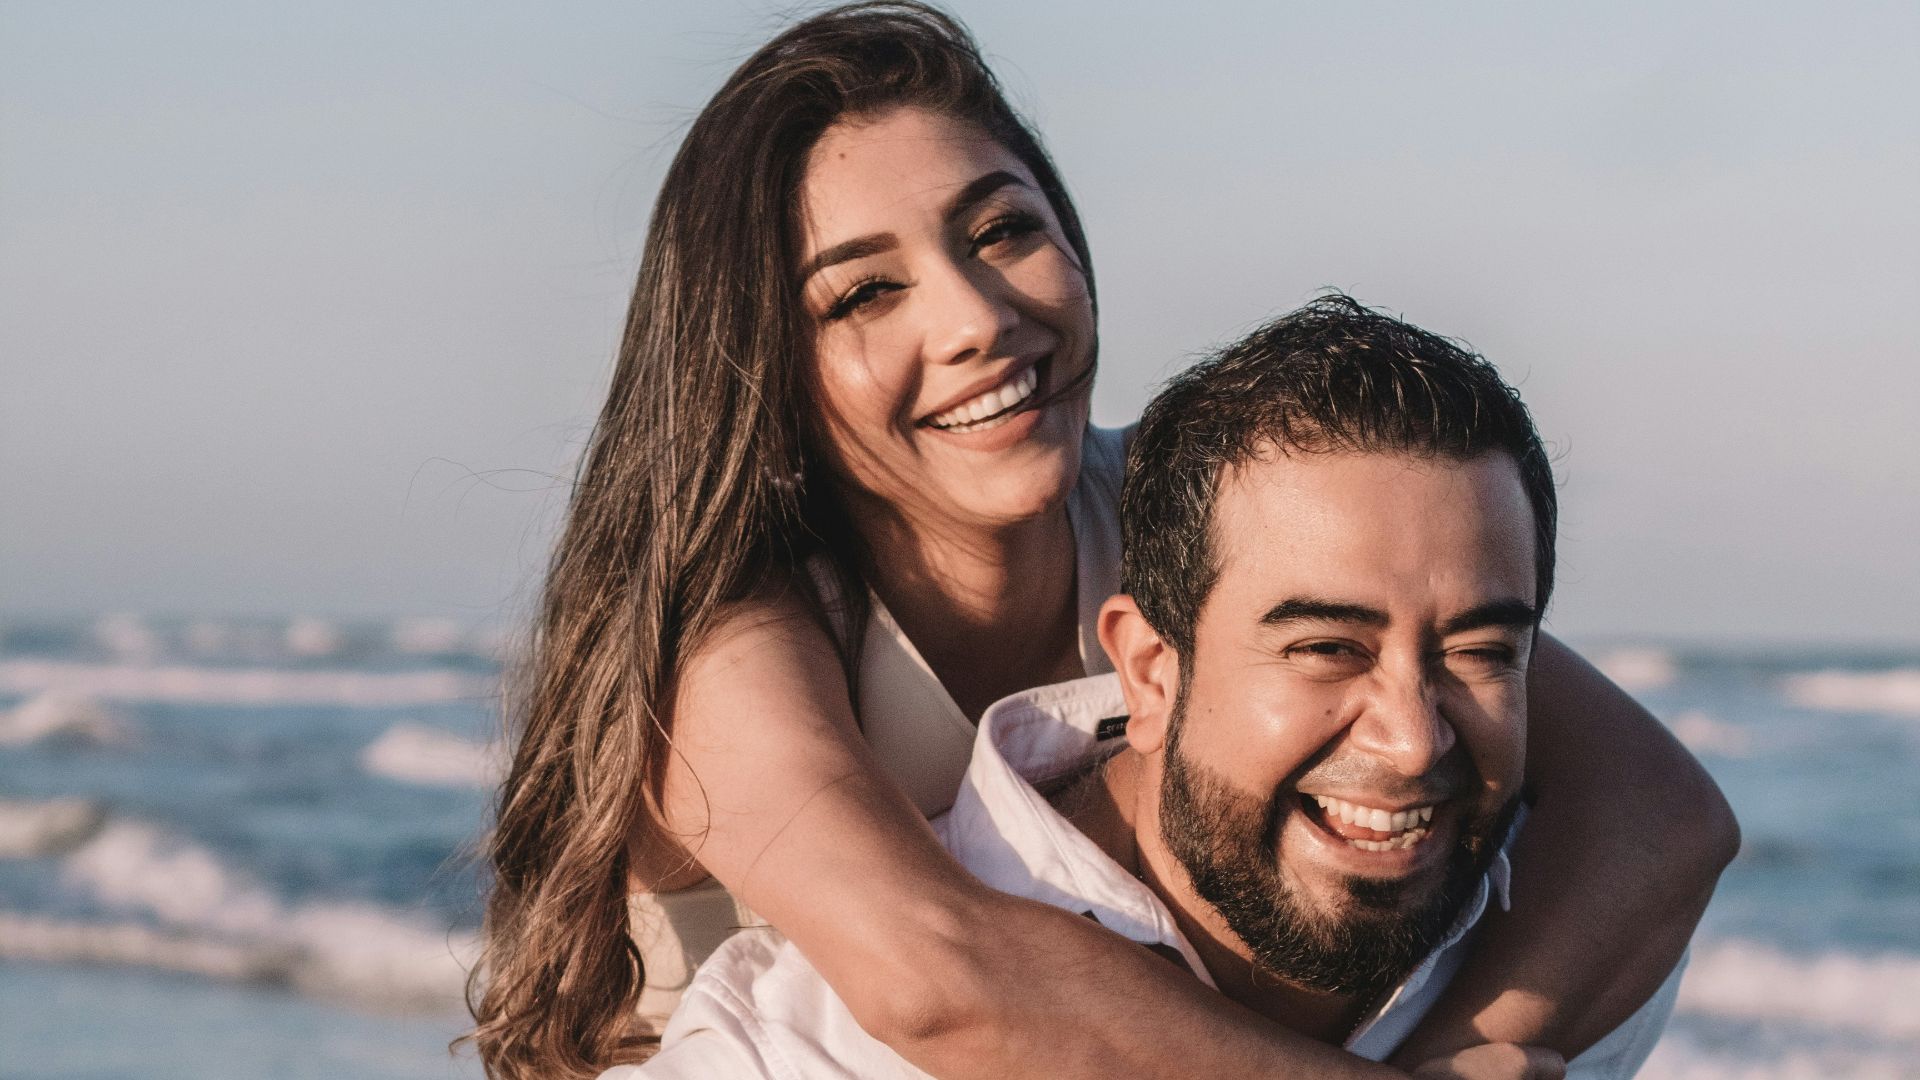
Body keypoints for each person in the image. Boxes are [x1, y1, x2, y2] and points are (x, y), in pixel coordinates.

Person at [470, 5, 1735, 1078]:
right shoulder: (739, 630)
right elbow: (934, 976)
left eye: (1002, 230)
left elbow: (1660, 816)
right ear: (766, 365)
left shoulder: (1175, 512)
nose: (975, 316)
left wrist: (1455, 1053)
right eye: (865, 291)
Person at [614, 296, 1688, 1080]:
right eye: (1325, 648)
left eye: (1479, 652)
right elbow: (930, 980)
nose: (1412, 739)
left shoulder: (1540, 956)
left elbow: (1670, 822)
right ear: (1147, 668)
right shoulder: (803, 1054)